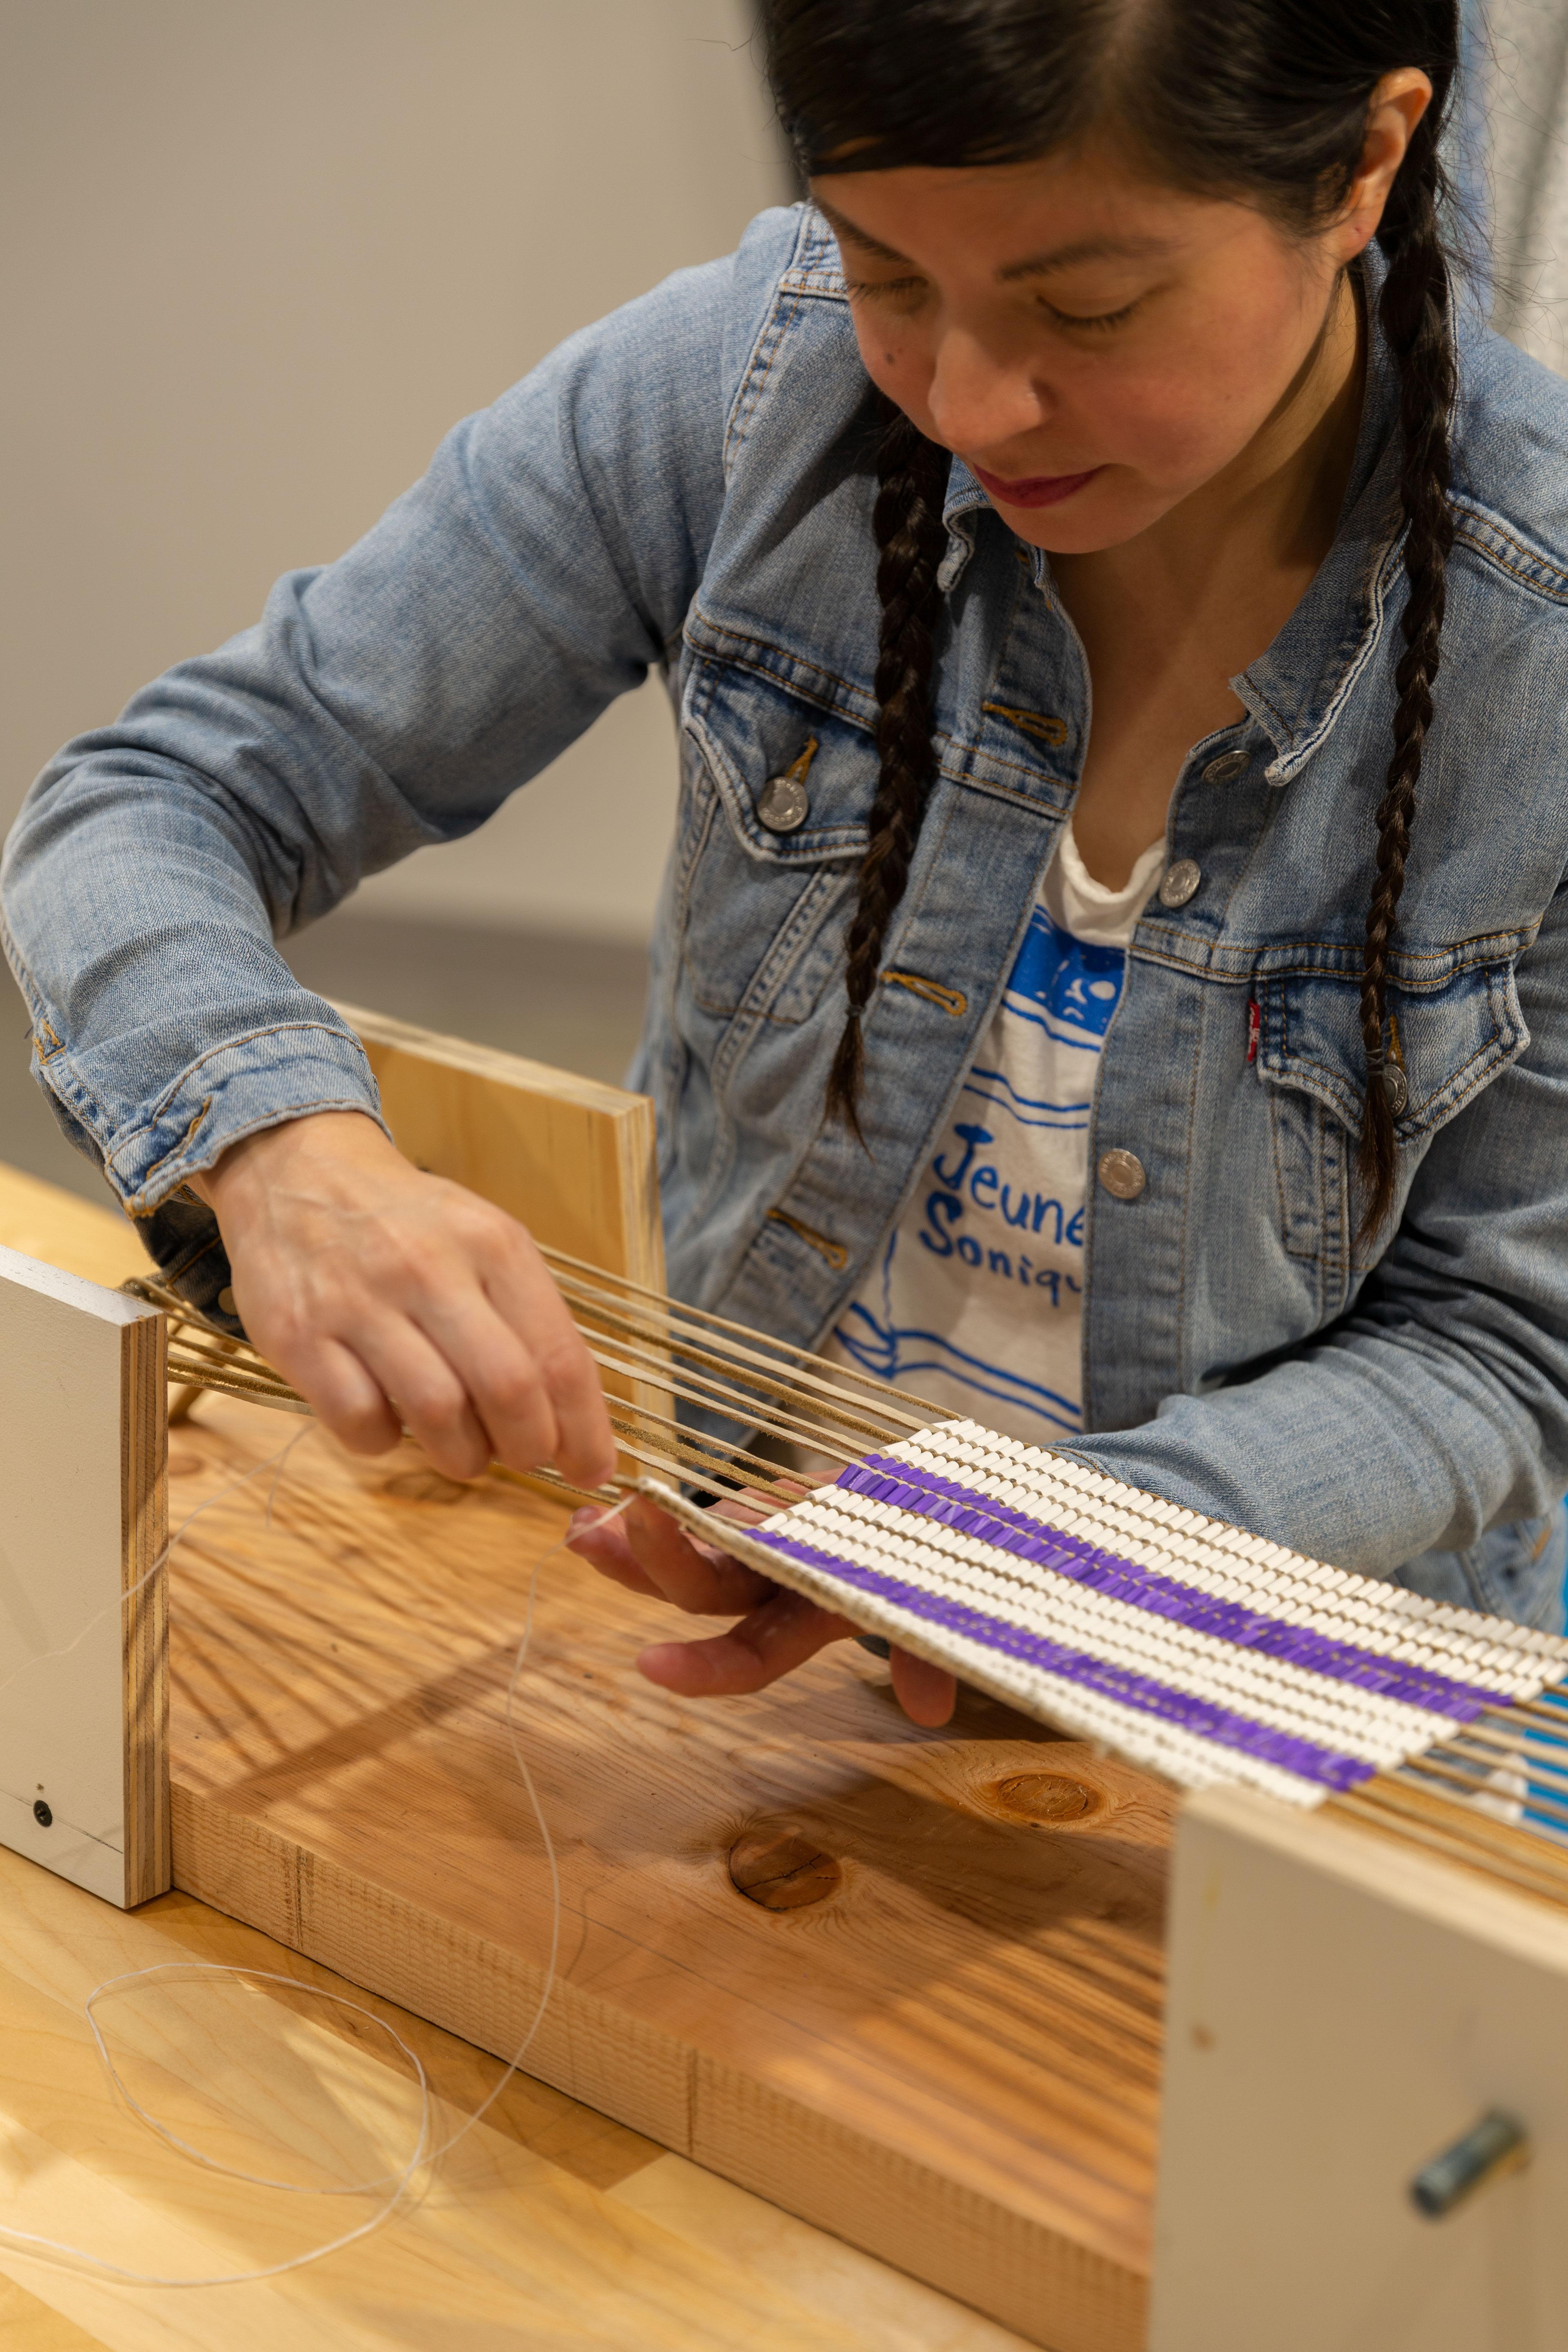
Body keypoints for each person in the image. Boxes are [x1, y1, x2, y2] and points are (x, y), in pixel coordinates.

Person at [7, 0, 1568, 1733]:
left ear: (1365, 160)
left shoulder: (1538, 643)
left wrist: (1050, 1548)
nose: (969, 397)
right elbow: (155, 802)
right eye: (890, 272)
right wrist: (278, 1147)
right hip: (721, 1662)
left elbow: (1508, 1352)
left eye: (1086, 306)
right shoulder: (752, 383)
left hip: (1258, 1740)